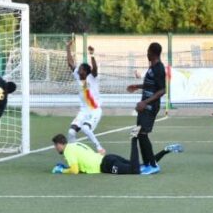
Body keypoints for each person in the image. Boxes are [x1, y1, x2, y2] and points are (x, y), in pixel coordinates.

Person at [51, 132, 182, 175]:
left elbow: (75, 170)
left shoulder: (68, 151)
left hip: (106, 166)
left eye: (55, 146)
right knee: (143, 165)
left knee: (135, 170)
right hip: (108, 158)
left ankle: (133, 139)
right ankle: (165, 150)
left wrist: (61, 170)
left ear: (59, 144)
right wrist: (66, 167)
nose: (56, 149)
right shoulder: (75, 144)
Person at [126, 43, 167, 174]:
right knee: (140, 133)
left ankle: (153, 165)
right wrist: (137, 86)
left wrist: (145, 103)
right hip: (145, 106)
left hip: (150, 106)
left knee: (143, 133)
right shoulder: (152, 67)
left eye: (148, 52)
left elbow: (162, 90)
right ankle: (148, 163)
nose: (146, 54)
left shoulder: (159, 68)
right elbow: (150, 85)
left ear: (152, 53)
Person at [66, 39, 104, 154]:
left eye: (81, 69)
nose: (78, 70)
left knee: (85, 128)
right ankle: (74, 152)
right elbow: (70, 63)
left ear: (86, 71)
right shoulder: (78, 77)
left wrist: (92, 55)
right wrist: (68, 48)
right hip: (83, 111)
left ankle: (99, 148)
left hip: (95, 110)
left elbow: (95, 69)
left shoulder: (92, 78)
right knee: (71, 132)